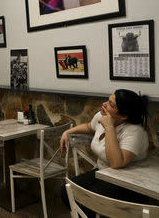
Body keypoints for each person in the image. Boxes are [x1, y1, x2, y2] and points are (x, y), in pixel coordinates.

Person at [60, 89, 150, 217]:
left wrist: (109, 127)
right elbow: (89, 127)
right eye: (108, 100)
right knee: (66, 190)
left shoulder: (135, 132)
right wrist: (67, 132)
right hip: (102, 172)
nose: (104, 104)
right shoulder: (102, 115)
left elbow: (116, 163)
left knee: (86, 204)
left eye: (111, 104)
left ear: (123, 116)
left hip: (126, 182)